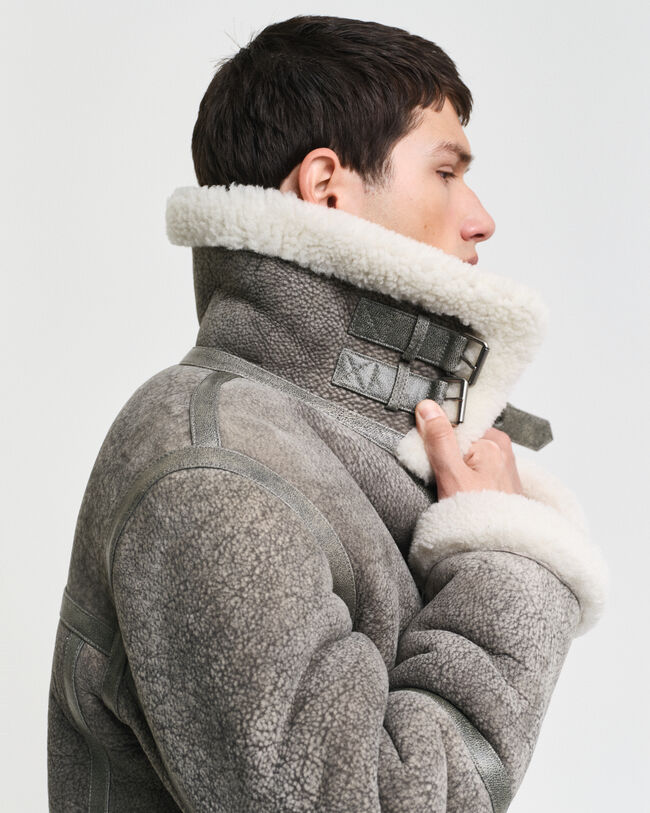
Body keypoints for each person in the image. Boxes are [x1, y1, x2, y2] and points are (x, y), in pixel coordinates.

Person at [47, 15, 609, 812]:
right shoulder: (214, 465)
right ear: (326, 187)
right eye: (446, 171)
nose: (480, 217)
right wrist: (503, 557)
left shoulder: (342, 443)